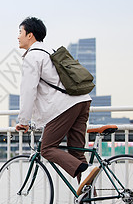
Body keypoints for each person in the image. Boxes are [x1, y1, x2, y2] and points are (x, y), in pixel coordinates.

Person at [15, 16, 94, 186]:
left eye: (20, 32)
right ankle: (89, 203)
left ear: (30, 35)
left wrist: (23, 121)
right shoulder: (50, 51)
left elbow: (28, 90)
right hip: (82, 101)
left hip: (65, 106)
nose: (18, 36)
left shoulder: (33, 56)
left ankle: (83, 169)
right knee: (77, 152)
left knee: (47, 149)